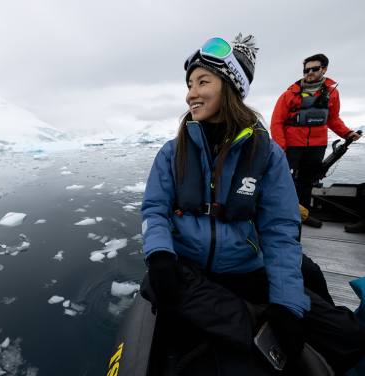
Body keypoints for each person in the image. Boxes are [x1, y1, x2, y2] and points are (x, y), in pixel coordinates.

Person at [141, 34, 364, 374]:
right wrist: (159, 254)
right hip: (191, 272)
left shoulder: (266, 154)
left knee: (345, 336)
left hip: (245, 268)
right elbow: (154, 209)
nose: (191, 94)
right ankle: (256, 323)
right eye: (189, 84)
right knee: (156, 286)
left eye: (203, 82)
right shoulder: (173, 153)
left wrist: (287, 304)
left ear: (230, 87)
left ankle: (251, 322)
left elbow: (279, 231)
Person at [271, 54, 362, 228]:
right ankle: (283, 215)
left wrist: (347, 133)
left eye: (314, 69)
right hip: (292, 146)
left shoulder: (332, 94)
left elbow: (333, 119)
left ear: (324, 69)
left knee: (306, 182)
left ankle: (303, 215)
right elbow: (277, 122)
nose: (309, 72)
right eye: (306, 70)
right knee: (285, 181)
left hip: (317, 146)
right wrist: (280, 148)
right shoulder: (289, 95)